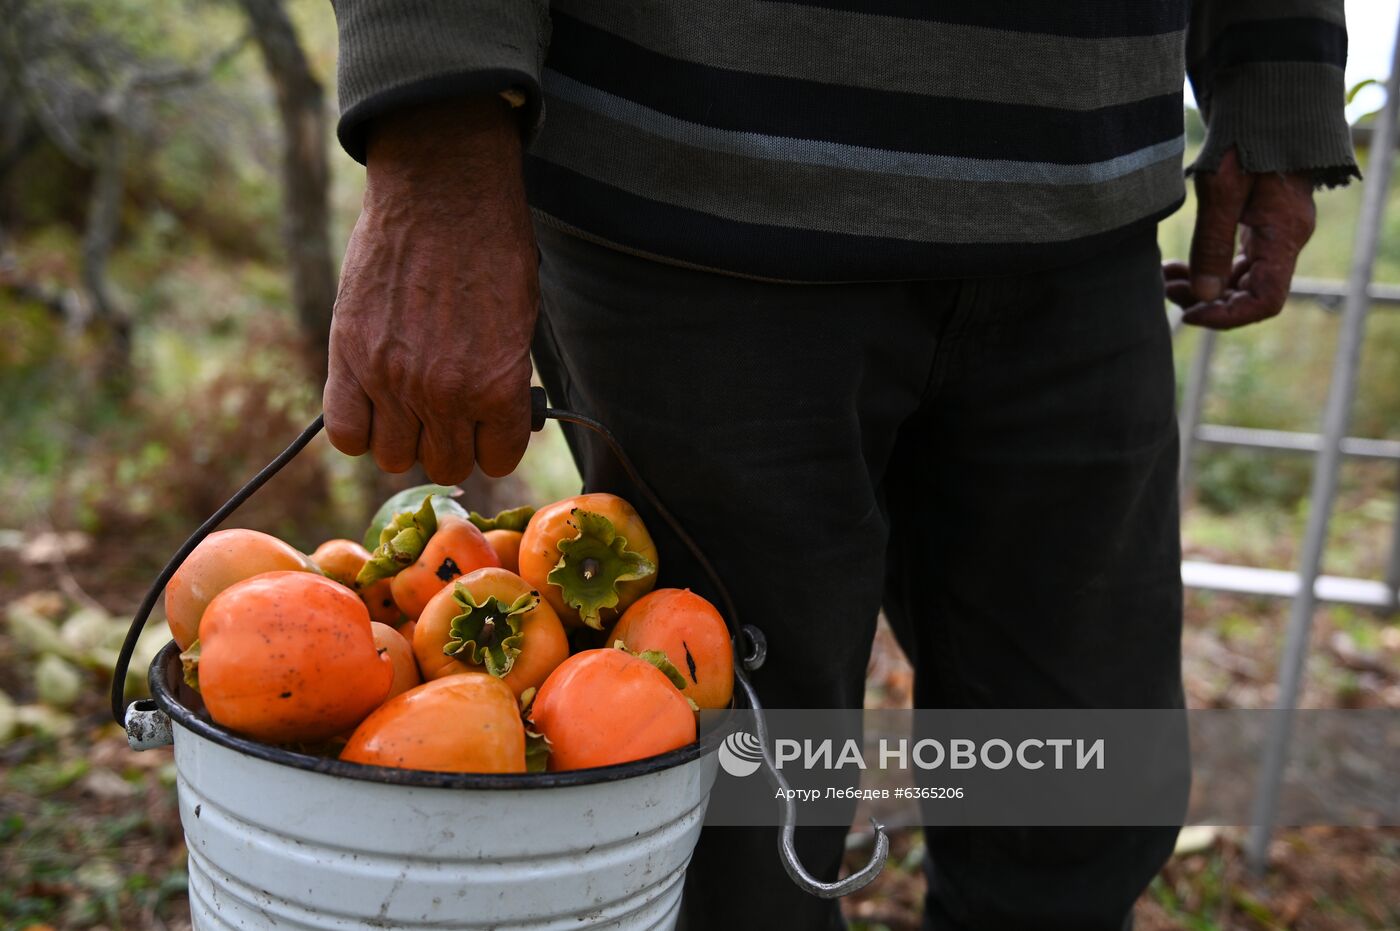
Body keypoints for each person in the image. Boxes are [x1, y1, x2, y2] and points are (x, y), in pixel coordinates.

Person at [322, 3, 1356, 928]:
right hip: (694, 209)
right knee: (729, 815)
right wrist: (436, 139)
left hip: (1082, 219)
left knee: (1077, 782)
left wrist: (1276, 80)